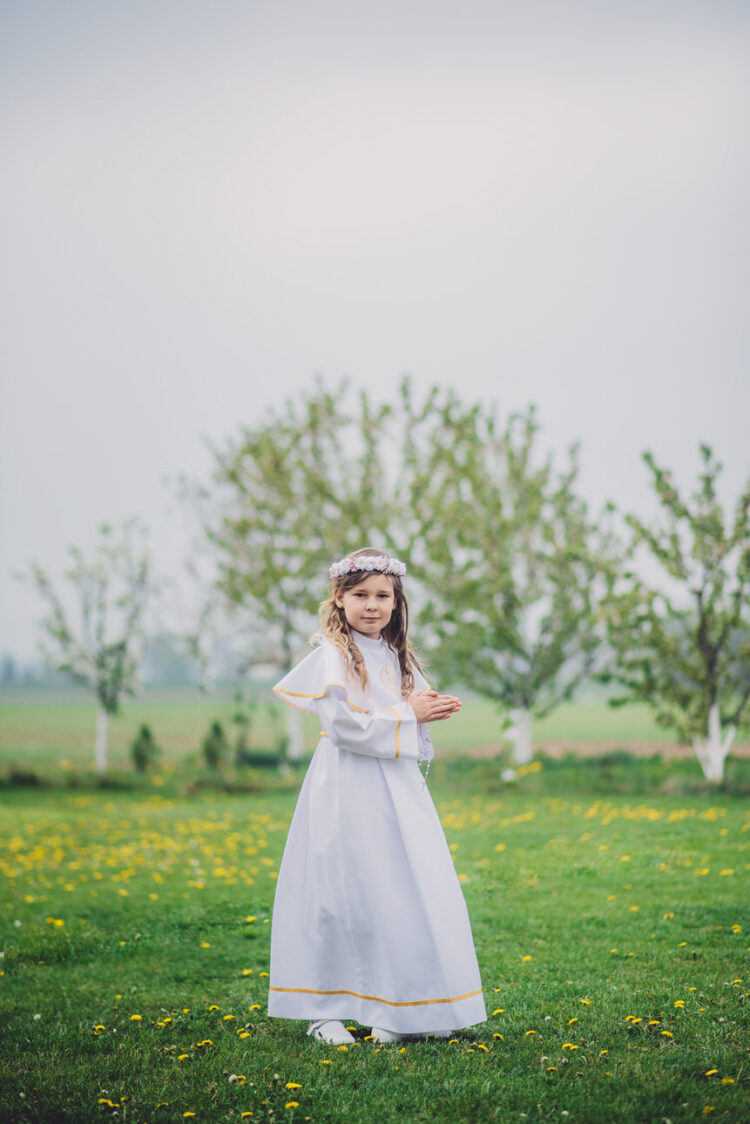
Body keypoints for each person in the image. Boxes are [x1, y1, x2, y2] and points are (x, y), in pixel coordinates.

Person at [267, 547, 487, 1045]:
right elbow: (343, 727)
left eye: (383, 596)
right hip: (347, 786)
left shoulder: (393, 654)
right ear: (339, 599)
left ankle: (402, 1007)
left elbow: (405, 710)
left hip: (397, 790)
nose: (372, 605)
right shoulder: (333, 656)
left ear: (396, 602)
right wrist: (409, 714)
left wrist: (423, 708)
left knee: (401, 890)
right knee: (341, 892)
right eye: (361, 595)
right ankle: (324, 1011)